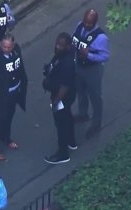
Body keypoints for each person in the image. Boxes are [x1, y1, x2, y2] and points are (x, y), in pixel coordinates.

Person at [72, 9, 110, 139]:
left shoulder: (101, 37)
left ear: (95, 22)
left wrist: (89, 55)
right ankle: (83, 113)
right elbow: (74, 40)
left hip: (92, 69)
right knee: (80, 90)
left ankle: (96, 123)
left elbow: (105, 56)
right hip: (79, 65)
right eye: (86, 22)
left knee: (95, 97)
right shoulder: (79, 26)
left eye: (90, 23)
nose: (87, 25)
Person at [43, 32, 77, 164]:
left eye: (61, 45)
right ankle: (71, 141)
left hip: (61, 97)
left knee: (61, 123)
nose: (57, 47)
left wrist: (56, 102)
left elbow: (65, 86)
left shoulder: (68, 63)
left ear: (68, 47)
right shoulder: (62, 55)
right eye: (57, 44)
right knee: (67, 116)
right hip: (62, 96)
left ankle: (63, 154)